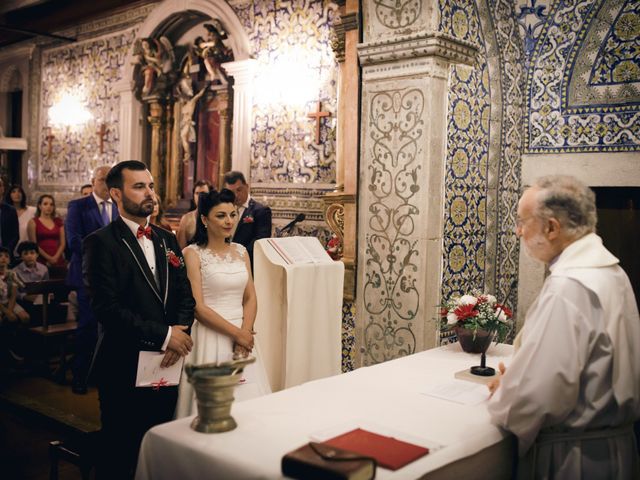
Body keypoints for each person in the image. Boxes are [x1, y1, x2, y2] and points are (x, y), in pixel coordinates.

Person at [487, 175, 640, 479]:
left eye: (522, 221)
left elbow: (533, 399)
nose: (518, 231)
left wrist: (506, 388)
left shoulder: (568, 285)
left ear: (552, 228)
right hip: (615, 449)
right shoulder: (612, 271)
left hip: (574, 460)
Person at [83, 160, 195, 479]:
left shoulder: (166, 239)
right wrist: (164, 335)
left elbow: (185, 294)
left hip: (167, 363)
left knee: (159, 446)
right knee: (120, 454)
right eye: (139, 186)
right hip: (123, 364)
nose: (149, 193)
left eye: (151, 185)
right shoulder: (100, 242)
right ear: (116, 193)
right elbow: (108, 309)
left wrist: (179, 332)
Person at [175, 189, 270, 417]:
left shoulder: (241, 251)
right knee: (212, 408)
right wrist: (236, 335)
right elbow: (197, 306)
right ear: (205, 219)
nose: (229, 221)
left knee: (249, 402)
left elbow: (250, 297)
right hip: (210, 335)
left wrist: (245, 333)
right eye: (221, 215)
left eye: (232, 214)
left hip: (243, 335)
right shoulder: (192, 253)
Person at [66, 166, 119, 394]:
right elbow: (74, 241)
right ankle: (80, 375)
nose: (106, 184)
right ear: (93, 181)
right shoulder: (79, 206)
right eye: (102, 179)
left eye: (110, 180)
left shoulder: (118, 207)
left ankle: (103, 374)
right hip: (87, 274)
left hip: (114, 278)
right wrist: (104, 257)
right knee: (87, 326)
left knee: (111, 327)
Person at [223, 171, 272, 265]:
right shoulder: (225, 210)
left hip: (247, 263)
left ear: (246, 186)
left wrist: (238, 256)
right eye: (231, 192)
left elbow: (260, 241)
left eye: (239, 190)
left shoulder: (261, 211)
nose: (236, 195)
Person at [27, 194, 66, 273]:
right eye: (45, 204)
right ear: (39, 206)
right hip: (40, 259)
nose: (49, 207)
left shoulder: (58, 221)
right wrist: (49, 258)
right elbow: (34, 244)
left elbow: (63, 243)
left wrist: (55, 258)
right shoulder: (33, 222)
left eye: (51, 204)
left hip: (57, 258)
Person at [14, 241, 49, 315]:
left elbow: (47, 286)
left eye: (32, 253)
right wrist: (25, 297)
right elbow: (15, 293)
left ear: (37, 255)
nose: (29, 256)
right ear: (21, 256)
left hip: (41, 299)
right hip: (23, 301)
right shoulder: (15, 272)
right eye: (26, 253)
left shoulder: (44, 269)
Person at [176, 179, 211, 249]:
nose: (200, 196)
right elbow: (180, 249)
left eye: (203, 193)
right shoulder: (186, 219)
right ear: (193, 195)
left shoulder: (217, 217)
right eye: (197, 193)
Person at [5, 184, 36, 257]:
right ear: (9, 195)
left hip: (28, 252)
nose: (17, 194)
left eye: (19, 191)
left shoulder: (32, 211)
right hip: (9, 252)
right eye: (13, 192)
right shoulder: (5, 213)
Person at [0, 178, 19, 256]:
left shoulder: (11, 210)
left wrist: (6, 251)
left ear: (3, 189)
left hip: (6, 255)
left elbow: (15, 235)